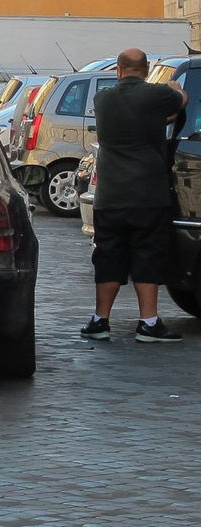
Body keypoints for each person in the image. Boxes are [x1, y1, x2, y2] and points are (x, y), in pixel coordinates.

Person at [81, 48, 189, 343]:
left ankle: (99, 320)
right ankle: (148, 323)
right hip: (147, 194)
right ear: (146, 69)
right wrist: (176, 87)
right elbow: (180, 102)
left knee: (108, 256)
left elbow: (141, 120)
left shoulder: (103, 99)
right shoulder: (156, 95)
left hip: (110, 196)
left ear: (118, 70)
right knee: (148, 255)